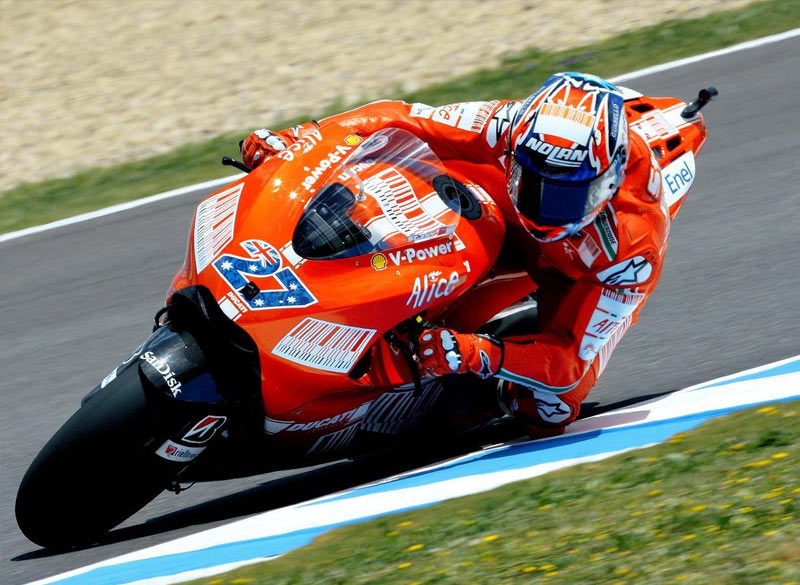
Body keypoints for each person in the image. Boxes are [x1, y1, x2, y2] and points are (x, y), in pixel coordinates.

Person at [240, 72, 669, 438]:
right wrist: (305, 137)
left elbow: (568, 362)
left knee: (552, 408)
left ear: (608, 182)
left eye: (565, 196)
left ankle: (476, 396)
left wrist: (476, 352)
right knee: (369, 190)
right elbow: (403, 117)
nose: (542, 206)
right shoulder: (511, 126)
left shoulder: (634, 246)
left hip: (567, 274)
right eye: (532, 180)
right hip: (481, 199)